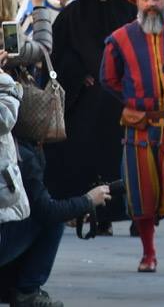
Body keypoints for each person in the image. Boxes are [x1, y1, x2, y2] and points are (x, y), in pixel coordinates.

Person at [2, 82, 113, 307]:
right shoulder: (21, 154)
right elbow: (47, 212)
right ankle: (27, 289)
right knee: (52, 220)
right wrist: (88, 200)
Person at [99, 0, 164, 273]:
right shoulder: (120, 38)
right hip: (140, 125)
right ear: (136, 3)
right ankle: (148, 252)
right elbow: (108, 77)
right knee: (142, 190)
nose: (151, 4)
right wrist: (134, 98)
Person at [45, 0, 132, 228]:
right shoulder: (74, 15)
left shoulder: (131, 14)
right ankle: (83, 208)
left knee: (118, 160)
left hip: (120, 103)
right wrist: (77, 74)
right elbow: (56, 59)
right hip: (83, 104)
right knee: (81, 157)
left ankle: (120, 211)